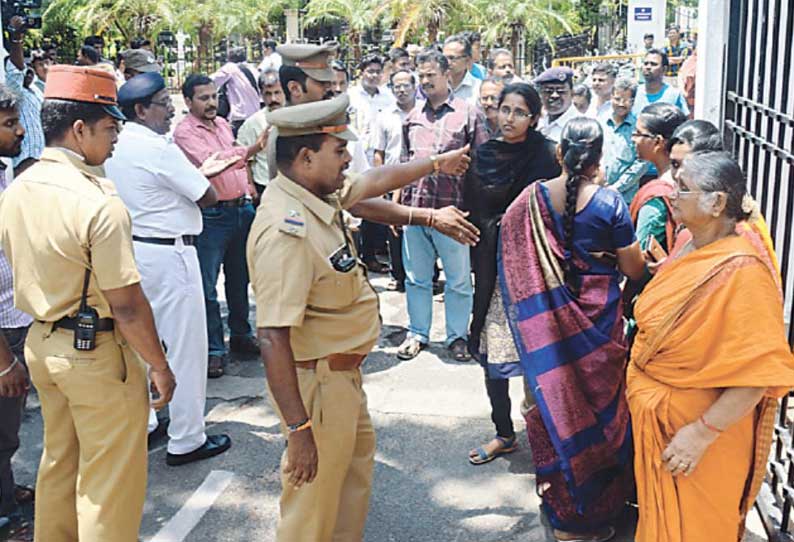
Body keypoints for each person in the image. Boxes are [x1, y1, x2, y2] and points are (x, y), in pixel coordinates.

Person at [249, 94, 472, 542]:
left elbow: (371, 184)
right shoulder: (285, 229)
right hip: (317, 391)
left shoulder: (315, 192)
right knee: (309, 515)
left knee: (347, 497)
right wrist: (299, 430)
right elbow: (272, 337)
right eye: (340, 151)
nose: (349, 157)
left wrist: (433, 170)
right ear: (307, 157)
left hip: (342, 383)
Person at [0, 64, 176, 541]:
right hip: (97, 354)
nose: (116, 138)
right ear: (80, 130)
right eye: (110, 128)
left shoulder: (18, 189)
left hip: (43, 343)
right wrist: (159, 365)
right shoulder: (98, 201)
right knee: (109, 484)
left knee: (59, 465)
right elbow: (127, 305)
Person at [487, 117, 647, 541]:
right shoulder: (610, 204)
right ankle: (595, 514)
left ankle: (563, 516)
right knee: (601, 417)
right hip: (598, 331)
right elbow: (633, 268)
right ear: (599, 159)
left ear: (559, 154)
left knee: (555, 410)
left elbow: (513, 261)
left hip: (547, 338)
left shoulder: (529, 201)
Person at [627, 151, 794, 542]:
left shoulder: (745, 271)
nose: (672, 194)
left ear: (717, 202)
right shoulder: (687, 243)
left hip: (699, 437)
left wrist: (700, 434)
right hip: (659, 424)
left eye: (683, 188)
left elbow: (758, 377)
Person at [106, 72, 235, 467]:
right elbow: (207, 196)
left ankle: (147, 421)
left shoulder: (116, 143)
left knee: (142, 343)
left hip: (134, 250)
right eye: (163, 104)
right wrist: (203, 176)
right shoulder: (157, 147)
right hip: (170, 253)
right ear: (141, 109)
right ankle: (187, 438)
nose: (170, 111)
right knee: (186, 347)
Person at [465, 82, 560, 465]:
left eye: (520, 112)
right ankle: (504, 433)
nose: (510, 118)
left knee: (540, 356)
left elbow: (556, 211)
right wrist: (497, 229)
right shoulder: (483, 155)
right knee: (494, 356)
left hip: (535, 270)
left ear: (534, 118)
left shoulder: (547, 156)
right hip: (493, 268)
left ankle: (546, 433)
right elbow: (474, 211)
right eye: (505, 109)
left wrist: (519, 225)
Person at [397, 48, 488, 361]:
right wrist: (398, 203)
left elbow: (481, 164)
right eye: (420, 76)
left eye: (430, 75)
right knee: (417, 279)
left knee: (459, 280)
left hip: (453, 212)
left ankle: (457, 337)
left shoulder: (468, 114)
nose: (424, 81)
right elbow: (404, 163)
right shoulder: (412, 117)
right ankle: (417, 333)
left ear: (447, 75)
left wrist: (475, 211)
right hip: (417, 211)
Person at [174, 74, 267, 378]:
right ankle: (214, 349)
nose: (212, 103)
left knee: (240, 278)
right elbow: (214, 161)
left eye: (214, 96)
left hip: (241, 209)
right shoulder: (185, 132)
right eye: (204, 98)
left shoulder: (224, 124)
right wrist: (252, 149)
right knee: (207, 287)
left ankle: (241, 335)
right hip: (212, 216)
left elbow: (240, 164)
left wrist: (250, 190)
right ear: (188, 101)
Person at [0, 83, 33, 537]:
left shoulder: (6, 173)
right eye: (9, 124)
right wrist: (3, 361)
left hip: (17, 317)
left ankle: (5, 490)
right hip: (2, 334)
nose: (20, 131)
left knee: (10, 430)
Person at [373, 69, 418, 292]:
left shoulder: (423, 113)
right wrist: (379, 183)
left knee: (418, 226)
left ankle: (424, 275)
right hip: (391, 180)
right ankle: (399, 275)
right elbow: (378, 151)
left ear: (414, 86)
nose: (401, 90)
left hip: (417, 180)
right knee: (394, 230)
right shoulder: (384, 116)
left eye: (405, 85)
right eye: (397, 86)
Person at [630, 102, 687, 252]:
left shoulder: (657, 198)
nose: (633, 139)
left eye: (638, 133)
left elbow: (640, 258)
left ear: (658, 142)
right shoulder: (687, 179)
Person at [4, 16, 44, 174]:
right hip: (23, 164)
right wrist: (17, 37)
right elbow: (16, 69)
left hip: (40, 162)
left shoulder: (35, 91)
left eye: (28, 66)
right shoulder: (14, 92)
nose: (27, 71)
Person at [236, 68, 285, 196]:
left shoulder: (297, 117)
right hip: (264, 186)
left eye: (277, 92)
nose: (273, 98)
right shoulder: (253, 123)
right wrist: (251, 186)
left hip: (292, 186)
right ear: (261, 94)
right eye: (268, 94)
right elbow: (243, 159)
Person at [600, 77, 646, 204]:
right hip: (598, 192)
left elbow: (641, 163)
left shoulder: (639, 128)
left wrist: (616, 188)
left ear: (633, 101)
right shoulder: (600, 122)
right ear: (611, 97)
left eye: (626, 100)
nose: (621, 104)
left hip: (625, 199)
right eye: (617, 99)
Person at [348, 53, 395, 166]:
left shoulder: (389, 97)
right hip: (355, 151)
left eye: (378, 72)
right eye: (370, 71)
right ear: (361, 73)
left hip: (380, 152)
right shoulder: (350, 96)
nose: (374, 75)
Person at [212, 47, 261, 135]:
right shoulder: (253, 69)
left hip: (240, 117)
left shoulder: (230, 68)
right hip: (255, 116)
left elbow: (210, 82)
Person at [632, 50, 689, 117]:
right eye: (645, 63)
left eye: (653, 64)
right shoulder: (634, 92)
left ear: (664, 69)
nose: (648, 67)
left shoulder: (674, 95)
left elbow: (685, 122)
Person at [535, 67, 581, 143]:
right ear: (540, 94)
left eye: (561, 91)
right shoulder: (538, 121)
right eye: (548, 91)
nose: (554, 95)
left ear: (572, 93)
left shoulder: (581, 126)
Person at [443, 34, 481, 106]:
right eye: (444, 58)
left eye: (452, 58)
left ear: (467, 60)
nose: (447, 62)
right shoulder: (436, 85)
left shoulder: (478, 88)